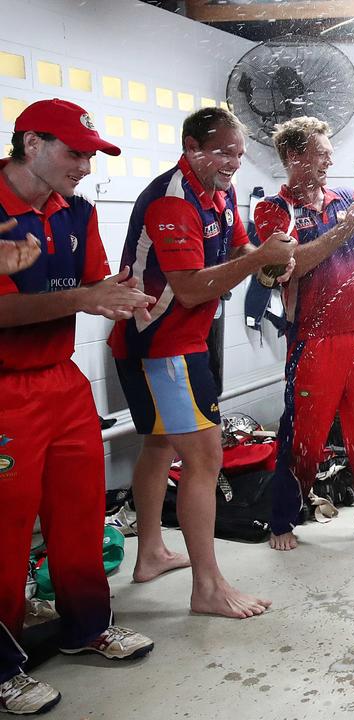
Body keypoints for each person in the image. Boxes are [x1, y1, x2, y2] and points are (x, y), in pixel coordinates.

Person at [0, 98, 155, 715]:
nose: (86, 166)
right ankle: (3, 666)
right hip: (5, 388)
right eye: (75, 152)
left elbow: (97, 287)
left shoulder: (77, 213)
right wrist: (90, 298)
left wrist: (126, 299)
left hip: (60, 381)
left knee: (80, 509)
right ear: (31, 145)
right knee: (6, 531)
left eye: (91, 154)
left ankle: (86, 627)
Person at [111, 107, 292, 618]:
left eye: (239, 153)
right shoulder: (172, 202)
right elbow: (190, 288)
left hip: (177, 339)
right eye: (224, 152)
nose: (234, 162)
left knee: (160, 442)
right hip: (164, 343)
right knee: (205, 459)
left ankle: (149, 553)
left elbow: (238, 245)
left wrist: (268, 260)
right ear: (192, 147)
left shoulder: (217, 189)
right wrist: (257, 261)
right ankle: (207, 587)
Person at [253, 116, 354, 551]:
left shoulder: (345, 198)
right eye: (320, 152)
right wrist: (345, 230)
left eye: (329, 151)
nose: (329, 159)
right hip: (314, 339)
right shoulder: (273, 211)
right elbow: (289, 264)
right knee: (303, 436)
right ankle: (283, 521)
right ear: (293, 157)